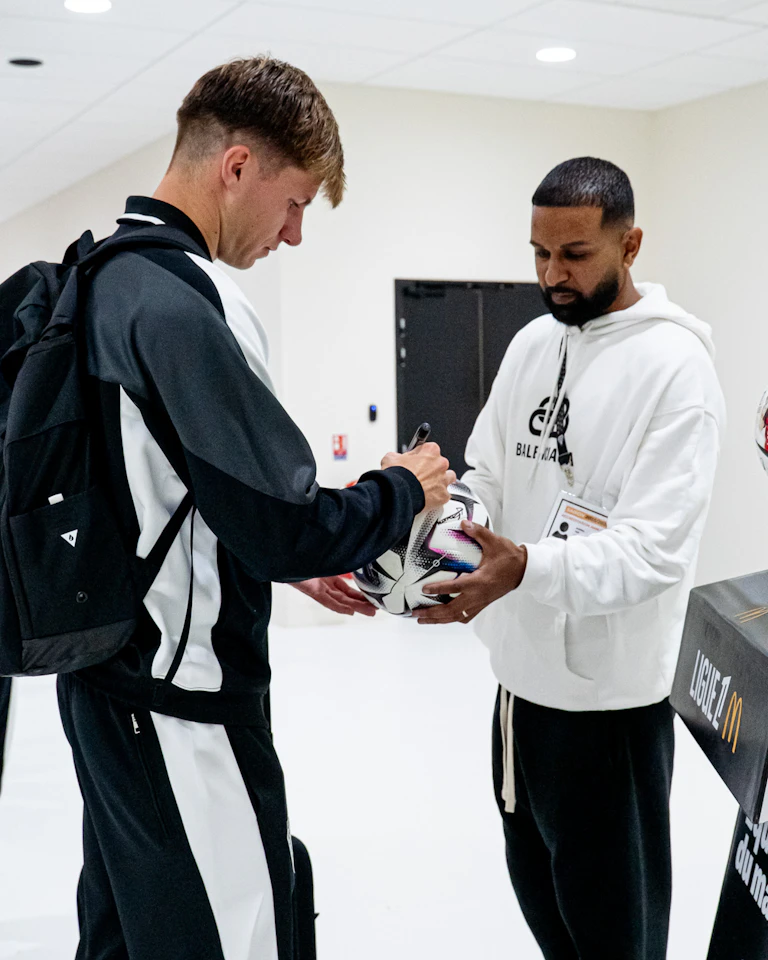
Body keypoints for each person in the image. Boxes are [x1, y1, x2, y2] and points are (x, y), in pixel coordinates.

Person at [56, 56, 454, 960]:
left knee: (124, 938)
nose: (296, 233)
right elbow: (286, 523)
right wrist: (402, 489)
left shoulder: (95, 277)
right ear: (236, 167)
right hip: (187, 712)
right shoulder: (190, 304)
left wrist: (278, 551)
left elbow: (155, 490)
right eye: (296, 201)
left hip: (104, 690)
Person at [418, 157, 725, 959]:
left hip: (608, 717)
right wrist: (439, 529)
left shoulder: (677, 370)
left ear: (631, 245)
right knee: (551, 922)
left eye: (575, 255)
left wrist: (523, 568)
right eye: (538, 253)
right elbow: (485, 472)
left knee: (614, 938)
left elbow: (652, 553)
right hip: (519, 699)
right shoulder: (530, 344)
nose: (552, 276)